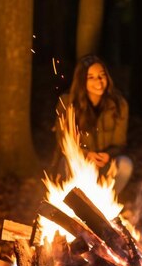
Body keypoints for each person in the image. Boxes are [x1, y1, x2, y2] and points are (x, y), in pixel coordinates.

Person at [51, 54, 133, 195]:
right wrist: (87, 155)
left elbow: (120, 143)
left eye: (102, 76)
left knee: (125, 165)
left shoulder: (119, 105)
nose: (99, 81)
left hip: (105, 163)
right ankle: (71, 207)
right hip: (78, 162)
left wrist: (107, 155)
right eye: (91, 77)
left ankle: (103, 209)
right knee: (66, 162)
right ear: (82, 80)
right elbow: (63, 140)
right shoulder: (68, 103)